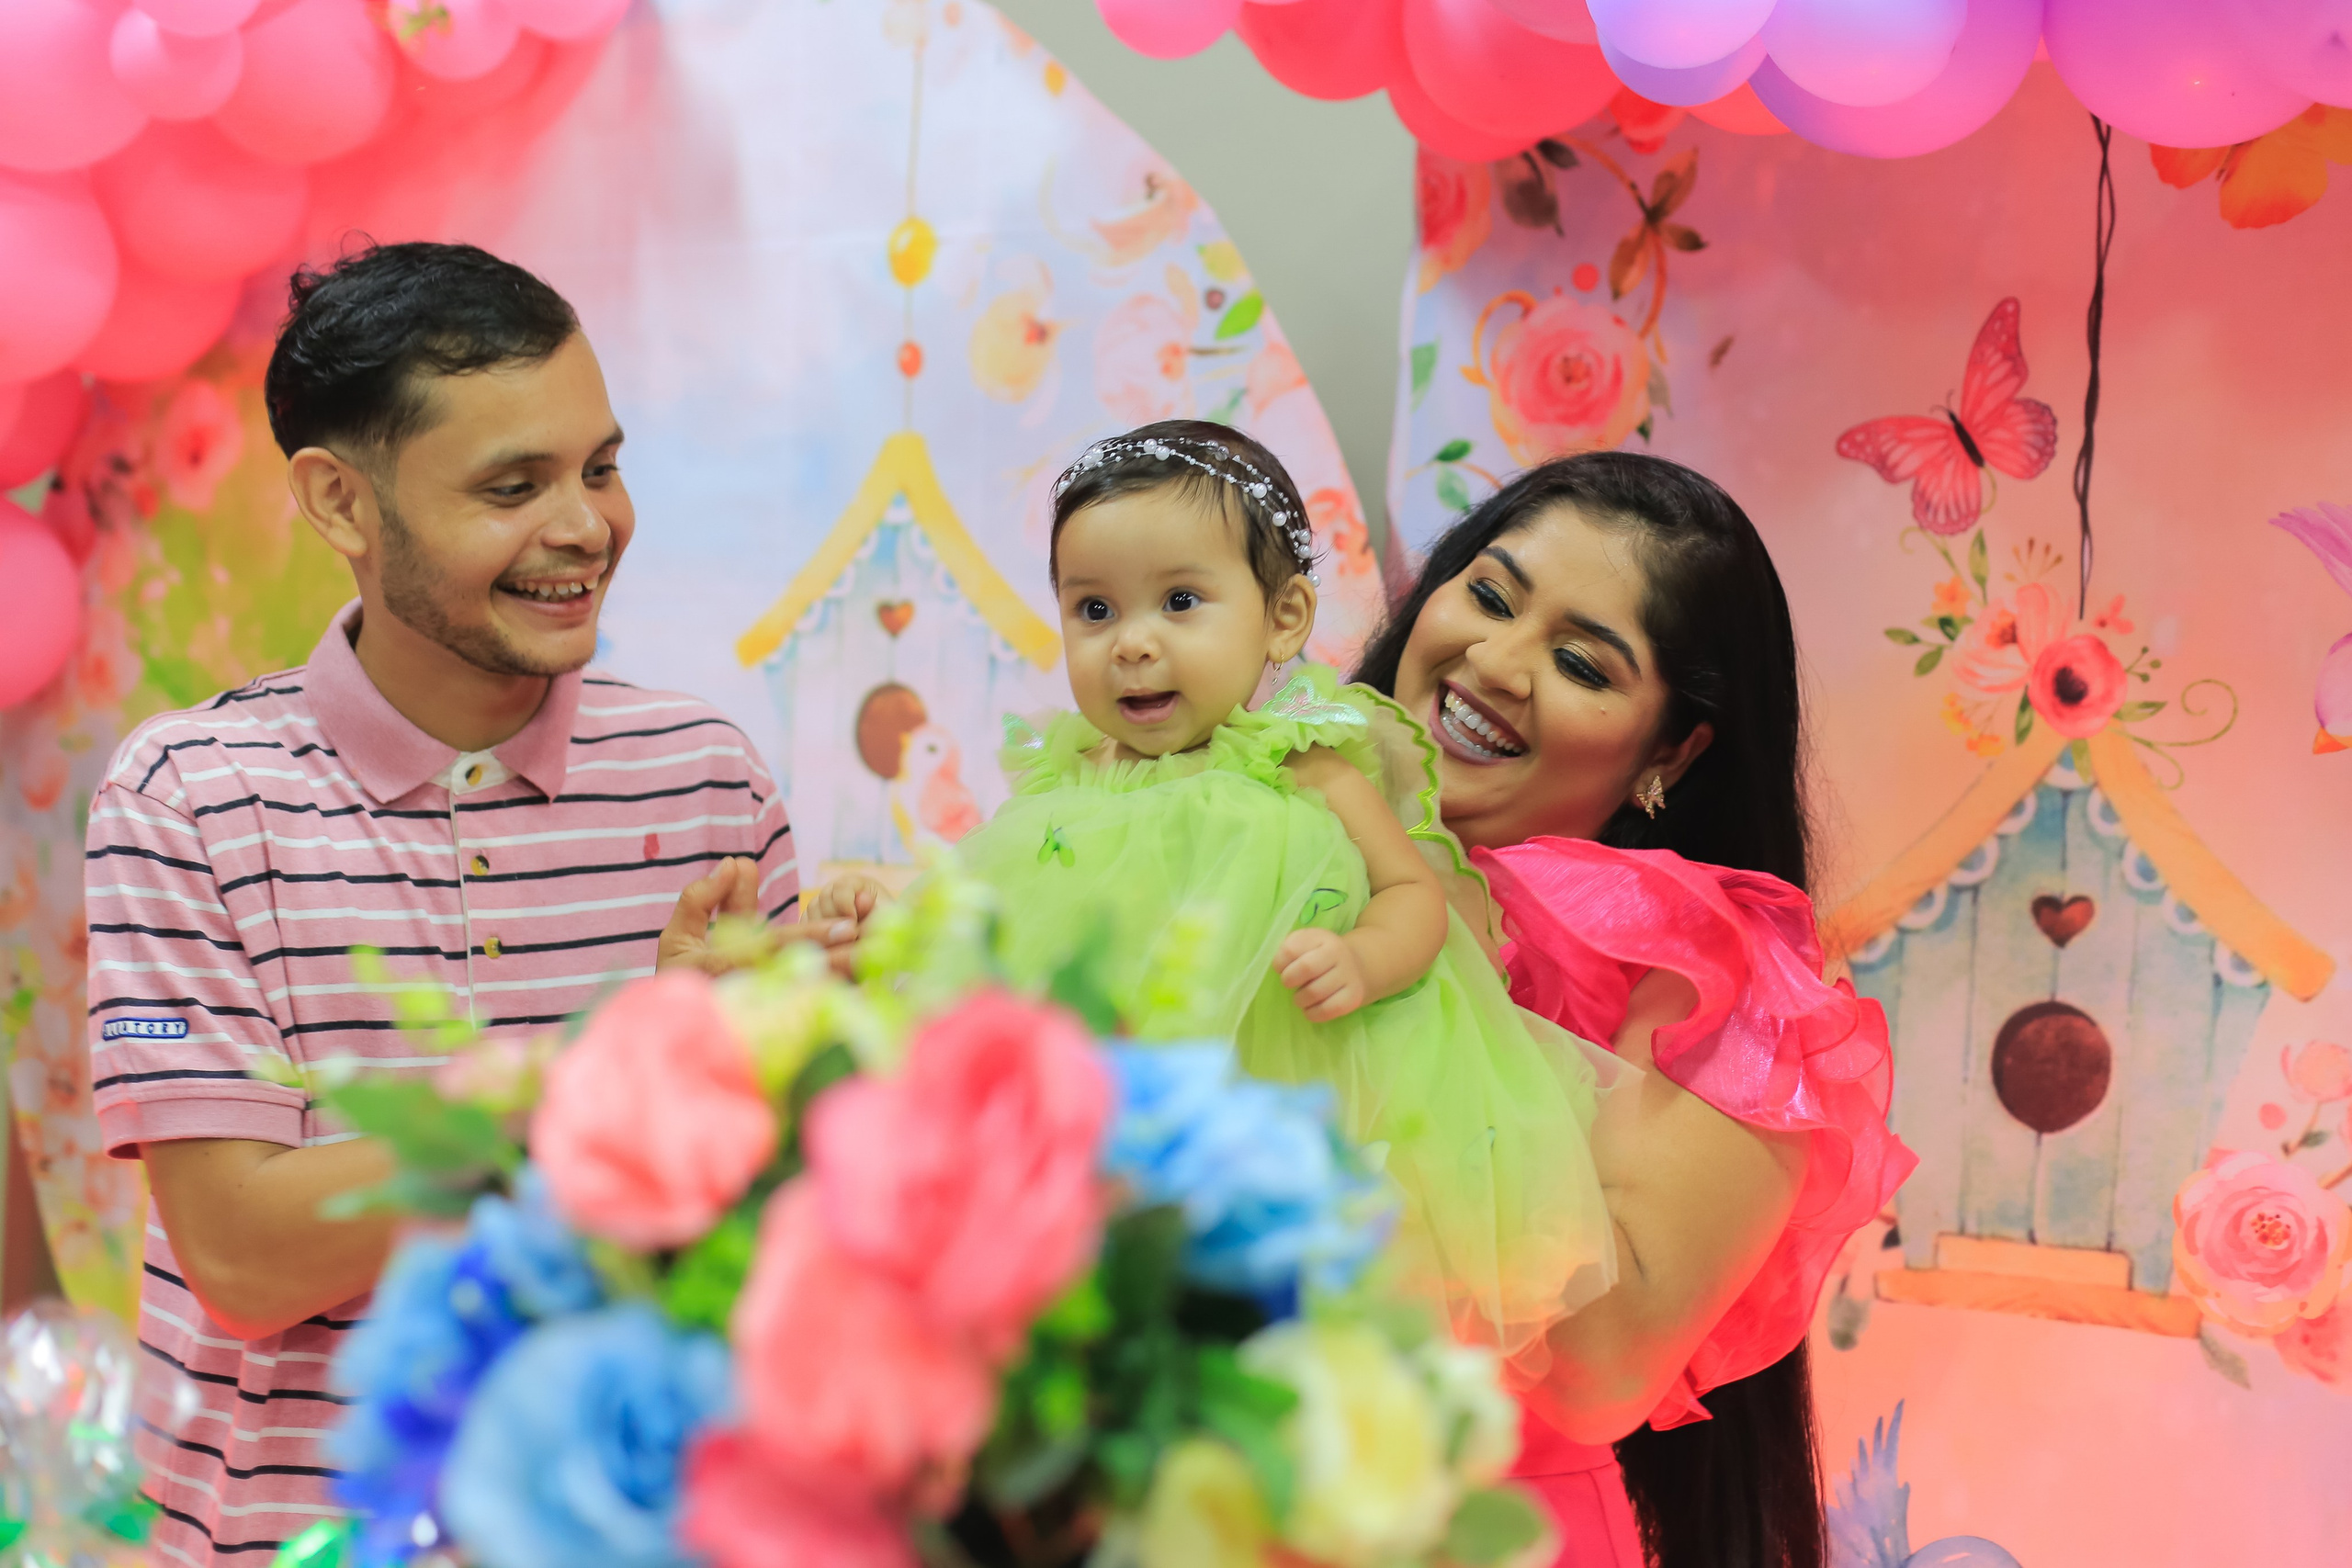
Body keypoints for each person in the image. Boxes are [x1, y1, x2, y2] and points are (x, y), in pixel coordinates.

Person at [84, 243, 799, 1567]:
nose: (586, 525)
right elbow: (246, 1252)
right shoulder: (186, 796)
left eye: (600, 465)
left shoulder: (707, 777)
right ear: (342, 502)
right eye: (511, 485)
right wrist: (624, 1072)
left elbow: (770, 1211)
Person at [810, 420, 1618, 1365]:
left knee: (1263, 1308)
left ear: (1282, 617)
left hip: (1266, 1093)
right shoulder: (1069, 784)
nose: (1132, 646)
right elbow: (1000, 914)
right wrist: (896, 930)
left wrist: (1362, 957)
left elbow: (1414, 894)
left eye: (1180, 602)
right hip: (1104, 1105)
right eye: (1094, 611)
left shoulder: (1302, 763)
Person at [1352, 451, 1917, 1568]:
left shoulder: (1723, 983)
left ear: (1671, 749)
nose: (1495, 664)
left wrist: (1424, 950)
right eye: (1488, 594)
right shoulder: (1255, 833)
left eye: (1578, 663)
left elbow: (1604, 1358)